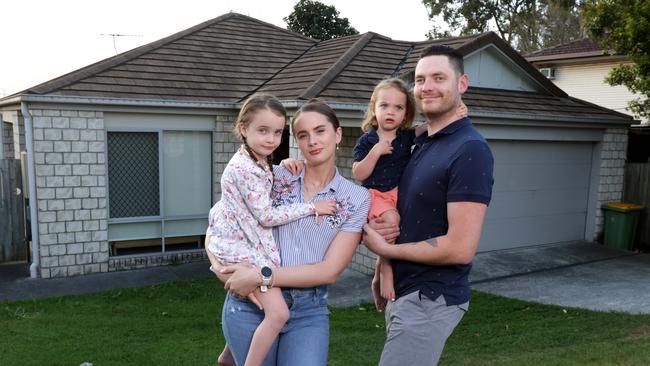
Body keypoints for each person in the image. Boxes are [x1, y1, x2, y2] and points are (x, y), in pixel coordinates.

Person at [207, 98, 371, 366]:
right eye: (303, 135)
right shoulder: (272, 176)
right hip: (251, 304)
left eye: (320, 131)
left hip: (308, 310)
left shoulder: (356, 198)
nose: (312, 142)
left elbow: (329, 270)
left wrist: (259, 275)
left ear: (338, 133)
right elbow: (221, 223)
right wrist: (220, 266)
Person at [362, 45, 495, 365]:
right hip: (405, 290)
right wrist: (383, 268)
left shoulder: (470, 150)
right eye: (420, 80)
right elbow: (409, 217)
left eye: (439, 77)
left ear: (461, 84)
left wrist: (387, 250)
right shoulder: (420, 143)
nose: (427, 87)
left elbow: (460, 248)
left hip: (432, 296)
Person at [352, 78, 467, 304]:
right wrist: (375, 152)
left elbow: (430, 127)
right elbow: (359, 174)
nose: (390, 111)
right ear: (374, 109)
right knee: (392, 222)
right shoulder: (368, 140)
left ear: (405, 114)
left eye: (398, 107)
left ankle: (378, 274)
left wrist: (455, 113)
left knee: (398, 230)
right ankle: (386, 270)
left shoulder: (405, 136)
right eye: (384, 105)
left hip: (399, 193)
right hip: (377, 194)